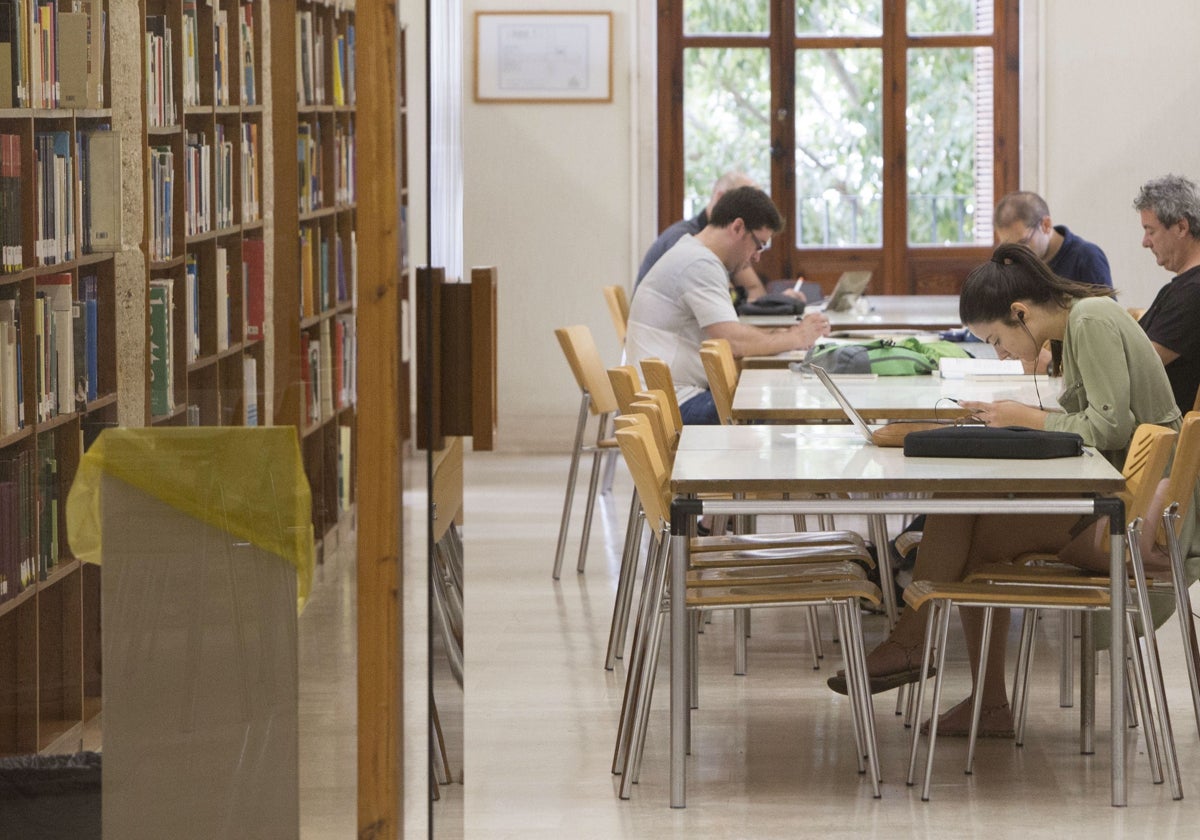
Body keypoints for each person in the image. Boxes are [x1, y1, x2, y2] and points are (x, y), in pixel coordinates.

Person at [827, 242, 1181, 737]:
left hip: (1133, 515)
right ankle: (943, 668)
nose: (1000, 352)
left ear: (1020, 312)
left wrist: (1022, 416)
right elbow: (1084, 417)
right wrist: (1025, 401)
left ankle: (932, 659)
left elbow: (1107, 428)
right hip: (1122, 499)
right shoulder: (1077, 328)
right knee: (963, 513)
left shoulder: (1092, 320)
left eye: (996, 339)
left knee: (962, 522)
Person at [625, 186, 830, 425]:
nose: (757, 257)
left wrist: (787, 335)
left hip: (667, 398)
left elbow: (732, 335)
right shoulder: (699, 263)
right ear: (738, 227)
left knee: (769, 401)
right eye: (759, 244)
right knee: (771, 410)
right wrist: (795, 337)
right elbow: (732, 342)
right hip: (671, 406)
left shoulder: (692, 252)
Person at [634, 172, 806, 305]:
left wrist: (774, 304)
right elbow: (727, 304)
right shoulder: (684, 241)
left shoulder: (733, 246)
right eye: (748, 209)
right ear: (722, 199)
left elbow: (753, 289)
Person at [1133, 174, 1200, 415]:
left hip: (1162, 433)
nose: (1145, 242)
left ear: (1182, 227)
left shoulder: (1193, 293)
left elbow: (1138, 367)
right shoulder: (1181, 288)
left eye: (1150, 231)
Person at [994, 191, 1113, 287]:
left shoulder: (1087, 257)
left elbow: (1106, 315)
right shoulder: (1015, 264)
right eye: (1009, 247)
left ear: (1046, 225)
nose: (1016, 255)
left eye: (1023, 243)